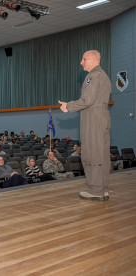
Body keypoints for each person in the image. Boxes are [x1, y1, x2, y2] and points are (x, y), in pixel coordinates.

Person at [59, 50, 111, 201]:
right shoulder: (104, 76)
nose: (81, 62)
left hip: (93, 119)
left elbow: (87, 100)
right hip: (102, 117)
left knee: (92, 153)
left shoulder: (92, 76)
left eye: (84, 59)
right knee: (102, 154)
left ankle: (96, 190)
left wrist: (68, 106)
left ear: (94, 59)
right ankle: (103, 188)